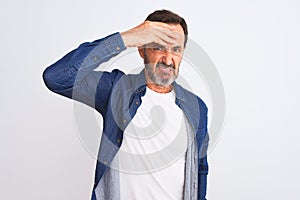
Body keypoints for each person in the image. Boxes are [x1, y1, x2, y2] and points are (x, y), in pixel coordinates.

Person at [43, 9, 209, 200]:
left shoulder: (197, 107)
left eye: (176, 49)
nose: (168, 59)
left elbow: (200, 170)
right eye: (158, 47)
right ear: (141, 49)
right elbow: (56, 77)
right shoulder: (115, 90)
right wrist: (125, 39)